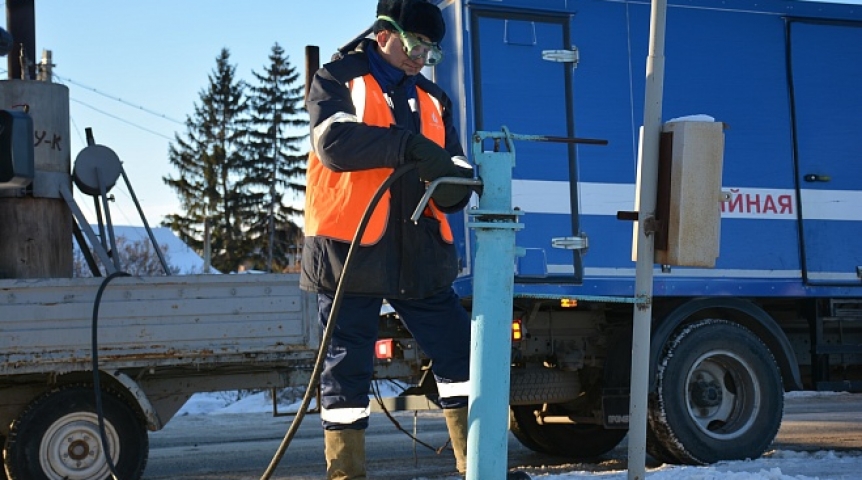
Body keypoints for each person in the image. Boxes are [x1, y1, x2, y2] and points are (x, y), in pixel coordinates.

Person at [301, 0, 476, 478]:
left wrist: (459, 182)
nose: (421, 59)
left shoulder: (434, 98)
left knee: (461, 354)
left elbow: (456, 163)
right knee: (346, 372)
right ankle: (346, 473)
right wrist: (408, 145)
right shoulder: (338, 80)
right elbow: (333, 144)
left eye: (430, 51)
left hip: (419, 252)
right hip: (350, 252)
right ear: (384, 36)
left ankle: (477, 466)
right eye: (415, 46)